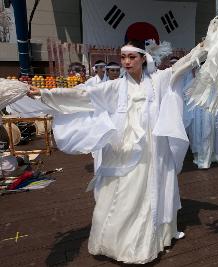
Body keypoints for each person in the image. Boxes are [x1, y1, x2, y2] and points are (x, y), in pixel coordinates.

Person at [27, 39, 207, 264]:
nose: (126, 62)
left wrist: (205, 45)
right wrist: (44, 93)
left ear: (143, 58)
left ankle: (144, 243)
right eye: (123, 57)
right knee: (120, 194)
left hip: (153, 152)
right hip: (123, 150)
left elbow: (184, 64)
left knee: (149, 194)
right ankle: (114, 241)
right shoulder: (114, 87)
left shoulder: (159, 81)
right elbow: (83, 96)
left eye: (132, 57)